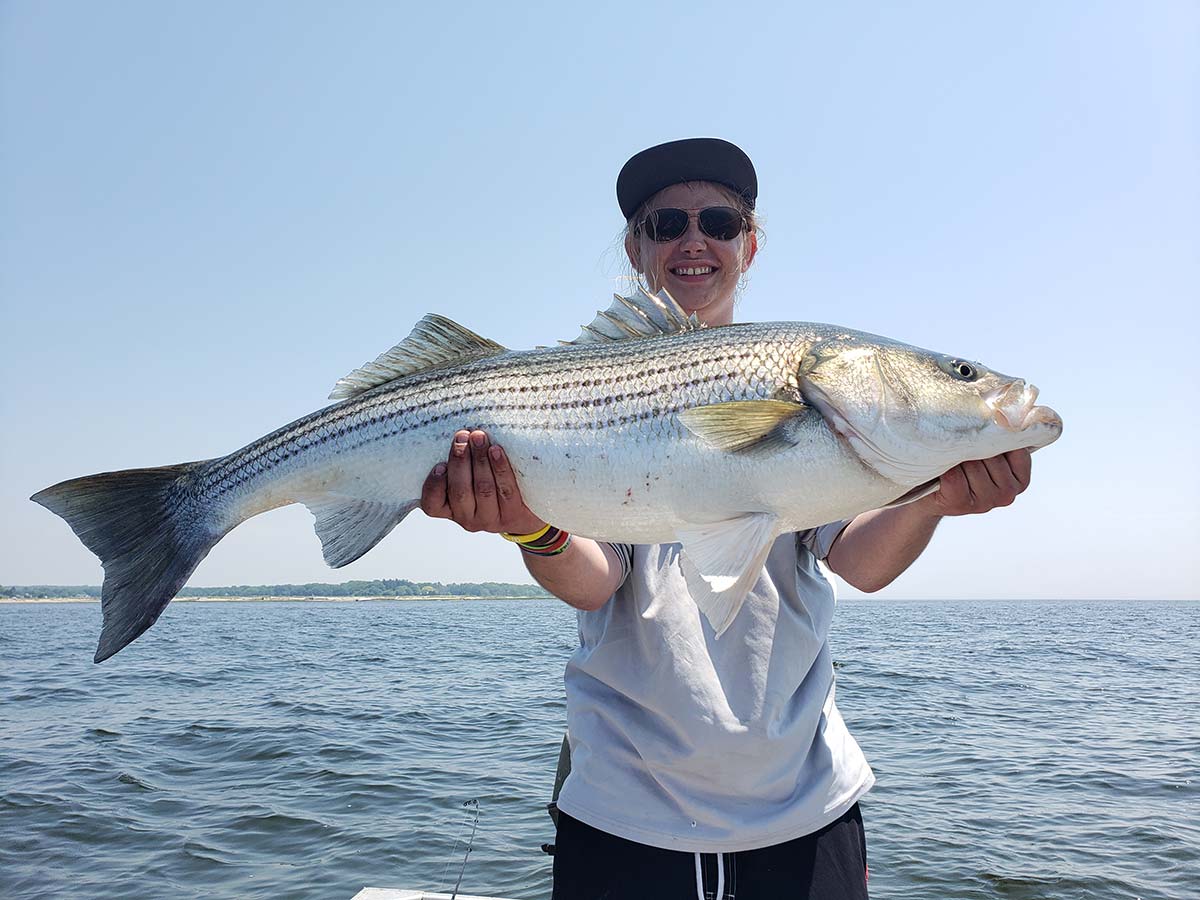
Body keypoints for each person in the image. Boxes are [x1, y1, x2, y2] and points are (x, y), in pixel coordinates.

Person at [420, 138, 1033, 900]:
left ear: (749, 242)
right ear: (636, 248)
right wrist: (526, 525)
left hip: (804, 815)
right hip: (623, 814)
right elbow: (594, 580)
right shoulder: (610, 384)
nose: (693, 239)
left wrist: (938, 496)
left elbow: (863, 565)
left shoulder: (824, 405)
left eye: (717, 219)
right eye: (666, 222)